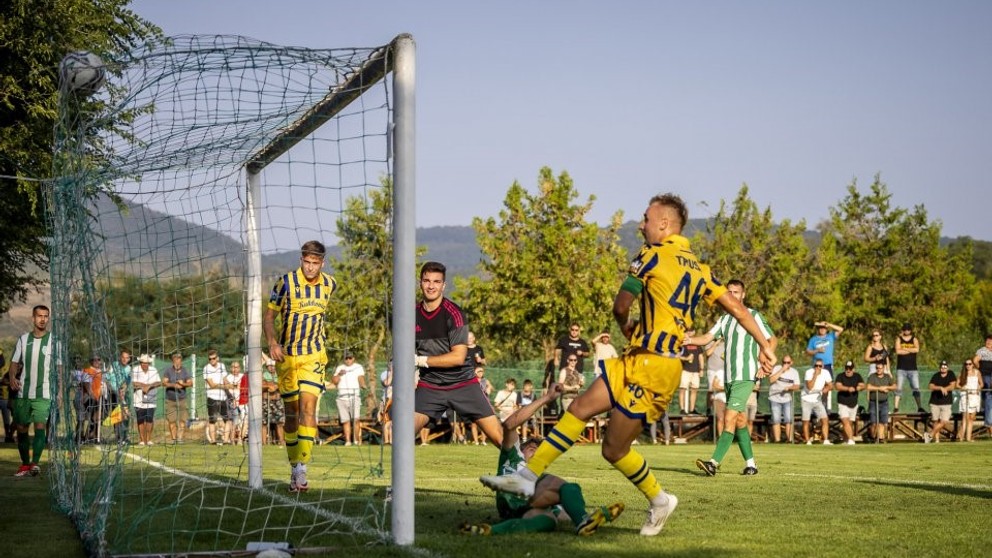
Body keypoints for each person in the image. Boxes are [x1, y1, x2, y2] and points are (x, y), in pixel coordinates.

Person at [480, 194, 777, 537]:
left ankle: (660, 499)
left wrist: (625, 327)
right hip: (642, 361)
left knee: (613, 448)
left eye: (646, 219)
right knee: (579, 407)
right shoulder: (701, 268)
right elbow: (738, 311)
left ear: (664, 224)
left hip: (654, 369)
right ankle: (527, 477)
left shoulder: (651, 255)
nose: (641, 224)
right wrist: (764, 345)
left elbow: (622, 306)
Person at [462, 383, 624, 536]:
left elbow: (562, 515)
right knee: (564, 487)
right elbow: (509, 424)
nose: (536, 452)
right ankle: (583, 520)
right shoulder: (513, 454)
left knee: (549, 519)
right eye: (532, 448)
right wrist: (547, 398)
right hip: (510, 492)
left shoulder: (537, 474)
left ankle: (490, 530)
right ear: (523, 448)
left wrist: (594, 516)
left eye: (539, 451)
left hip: (514, 508)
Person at [264, 240, 337, 492]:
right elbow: (269, 317)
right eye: (306, 262)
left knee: (309, 407)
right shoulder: (284, 283)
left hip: (315, 356)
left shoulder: (330, 284)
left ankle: (303, 468)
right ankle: (294, 464)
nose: (310, 267)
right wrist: (272, 342)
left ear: (322, 263)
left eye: (315, 263)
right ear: (301, 260)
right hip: (288, 357)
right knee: (292, 414)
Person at [690, 279, 777, 475]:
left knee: (729, 417)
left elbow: (772, 339)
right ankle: (751, 465)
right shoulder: (724, 319)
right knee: (739, 421)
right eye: (728, 292)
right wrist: (688, 339)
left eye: (736, 292)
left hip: (746, 376)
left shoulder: (752, 315)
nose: (732, 295)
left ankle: (713, 463)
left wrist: (765, 360)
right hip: (730, 377)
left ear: (743, 295)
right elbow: (706, 338)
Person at [414, 261, 503, 448]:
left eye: (436, 282)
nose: (431, 286)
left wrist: (420, 360)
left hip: (463, 384)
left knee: (499, 438)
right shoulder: (411, 314)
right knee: (401, 433)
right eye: (427, 281)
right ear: (420, 283)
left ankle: (526, 471)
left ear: (443, 286)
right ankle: (399, 478)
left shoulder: (454, 314)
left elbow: (458, 357)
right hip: (429, 386)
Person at [8, 305, 59, 476]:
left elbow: (59, 368)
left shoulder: (54, 341)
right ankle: (25, 464)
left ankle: (35, 464)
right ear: (33, 318)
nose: (43, 319)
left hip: (44, 393)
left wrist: (58, 392)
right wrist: (13, 377)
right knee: (22, 427)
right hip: (24, 393)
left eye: (46, 316)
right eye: (39, 316)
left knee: (40, 426)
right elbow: (14, 362)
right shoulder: (23, 340)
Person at [329, 352, 366, 446]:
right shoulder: (339, 368)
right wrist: (339, 374)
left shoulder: (358, 367)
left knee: (356, 419)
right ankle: (348, 441)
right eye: (346, 358)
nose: (348, 360)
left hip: (354, 396)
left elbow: (361, 378)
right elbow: (334, 381)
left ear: (353, 358)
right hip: (341, 398)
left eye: (350, 358)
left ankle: (356, 441)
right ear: (344, 359)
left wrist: (363, 385)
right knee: (345, 421)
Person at [766, 356, 800, 443]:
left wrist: (790, 388)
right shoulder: (777, 368)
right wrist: (781, 370)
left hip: (787, 399)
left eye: (788, 363)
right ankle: (777, 440)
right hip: (774, 398)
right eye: (784, 362)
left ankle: (789, 439)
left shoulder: (794, 372)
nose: (785, 364)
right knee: (776, 419)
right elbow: (771, 380)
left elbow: (797, 386)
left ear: (791, 363)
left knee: (788, 419)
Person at [800, 358, 833, 445]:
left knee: (825, 420)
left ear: (823, 366)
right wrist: (815, 375)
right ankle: (807, 441)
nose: (818, 368)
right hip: (806, 399)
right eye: (816, 366)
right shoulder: (809, 372)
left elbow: (831, 384)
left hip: (817, 400)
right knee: (806, 421)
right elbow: (810, 387)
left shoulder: (826, 372)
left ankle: (826, 440)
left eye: (820, 366)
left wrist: (827, 388)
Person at [162, 352, 192, 444]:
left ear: (181, 360)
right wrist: (173, 385)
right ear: (173, 361)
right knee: (172, 420)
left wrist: (183, 384)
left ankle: (180, 438)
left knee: (183, 420)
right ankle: (174, 439)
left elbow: (190, 383)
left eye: (179, 359)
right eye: (175, 359)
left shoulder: (185, 371)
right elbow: (163, 383)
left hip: (182, 399)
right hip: (170, 400)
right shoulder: (168, 371)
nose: (177, 361)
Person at [132, 354, 161, 446]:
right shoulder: (135, 370)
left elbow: (158, 382)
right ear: (140, 363)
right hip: (138, 399)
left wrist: (149, 386)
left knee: (149, 419)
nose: (145, 365)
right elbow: (134, 383)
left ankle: (148, 439)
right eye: (143, 363)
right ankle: (141, 439)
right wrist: (144, 386)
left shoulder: (154, 370)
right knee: (140, 420)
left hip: (151, 398)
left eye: (147, 363)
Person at [893, 323, 923, 413]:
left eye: (908, 330)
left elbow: (917, 350)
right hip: (901, 368)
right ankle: (896, 408)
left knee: (916, 388)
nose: (906, 331)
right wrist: (910, 350)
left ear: (910, 330)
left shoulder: (914, 339)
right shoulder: (899, 339)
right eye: (905, 329)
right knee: (899, 388)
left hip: (913, 369)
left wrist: (905, 349)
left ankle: (919, 407)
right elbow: (898, 351)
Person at [834, 360, 865, 445]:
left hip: (853, 403)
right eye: (847, 368)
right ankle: (851, 440)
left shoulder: (857, 376)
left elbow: (863, 385)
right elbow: (838, 386)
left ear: (853, 369)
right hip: (842, 402)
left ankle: (846, 440)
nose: (848, 370)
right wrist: (847, 389)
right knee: (845, 421)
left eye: (850, 369)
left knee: (849, 423)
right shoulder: (840, 376)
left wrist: (859, 387)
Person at [203, 349, 230, 446]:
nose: (212, 360)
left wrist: (230, 385)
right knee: (212, 420)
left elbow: (225, 379)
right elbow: (211, 385)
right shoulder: (206, 368)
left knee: (228, 420)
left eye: (214, 358)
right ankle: (213, 441)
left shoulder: (222, 366)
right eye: (210, 359)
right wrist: (224, 386)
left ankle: (226, 441)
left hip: (223, 397)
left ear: (217, 358)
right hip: (212, 397)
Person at [925, 360, 956, 444]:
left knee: (944, 421)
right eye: (942, 367)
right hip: (935, 402)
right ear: (940, 368)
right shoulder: (936, 376)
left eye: (945, 367)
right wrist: (940, 388)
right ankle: (936, 440)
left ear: (947, 367)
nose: (943, 368)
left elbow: (953, 386)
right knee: (935, 421)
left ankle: (930, 435)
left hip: (946, 402)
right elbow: (930, 386)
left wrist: (945, 388)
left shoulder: (951, 374)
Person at [866, 362, 897, 443]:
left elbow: (894, 386)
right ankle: (872, 437)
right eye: (877, 368)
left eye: (880, 368)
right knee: (873, 422)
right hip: (873, 402)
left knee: (883, 422)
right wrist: (879, 388)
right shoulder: (872, 376)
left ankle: (880, 438)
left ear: (883, 369)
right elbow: (868, 387)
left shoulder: (887, 377)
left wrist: (886, 387)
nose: (878, 369)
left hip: (884, 403)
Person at [678, 329, 704, 415]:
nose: (689, 332)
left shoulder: (697, 344)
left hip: (695, 371)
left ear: (694, 332)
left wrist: (701, 369)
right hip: (685, 370)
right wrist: (686, 358)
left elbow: (701, 357)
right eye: (687, 331)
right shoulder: (682, 344)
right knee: (683, 389)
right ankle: (682, 409)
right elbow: (677, 356)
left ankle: (692, 409)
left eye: (691, 331)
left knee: (694, 390)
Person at [704, 339, 726, 433]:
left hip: (723, 370)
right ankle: (709, 408)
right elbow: (708, 353)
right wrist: (716, 343)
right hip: (713, 370)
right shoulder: (710, 343)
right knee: (711, 390)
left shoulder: (727, 343)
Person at [958, 359, 983, 442]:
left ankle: (968, 438)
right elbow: (957, 385)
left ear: (973, 365)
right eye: (966, 364)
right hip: (965, 396)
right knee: (965, 417)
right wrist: (962, 388)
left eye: (969, 364)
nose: (968, 365)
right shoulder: (962, 373)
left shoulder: (977, 372)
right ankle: (961, 437)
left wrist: (978, 389)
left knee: (971, 418)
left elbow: (981, 384)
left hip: (975, 396)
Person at [262, 359, 285, 445]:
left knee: (280, 422)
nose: (272, 368)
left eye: (273, 366)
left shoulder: (279, 375)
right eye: (270, 366)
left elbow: (283, 384)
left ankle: (281, 441)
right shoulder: (263, 375)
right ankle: (263, 443)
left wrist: (276, 386)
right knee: (264, 423)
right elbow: (261, 385)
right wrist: (269, 385)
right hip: (266, 401)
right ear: (267, 367)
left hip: (277, 401)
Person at [975, 334, 992, 429]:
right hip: (986, 375)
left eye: (990, 341)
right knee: (988, 394)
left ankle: (986, 411)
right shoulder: (982, 350)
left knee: (987, 397)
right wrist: (980, 368)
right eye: (987, 341)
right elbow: (975, 360)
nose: (988, 343)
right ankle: (989, 422)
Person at [378, 361, 393, 445]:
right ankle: (386, 441)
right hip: (387, 400)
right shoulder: (385, 373)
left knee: (394, 422)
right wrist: (393, 372)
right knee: (386, 420)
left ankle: (392, 440)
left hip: (397, 400)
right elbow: (387, 382)